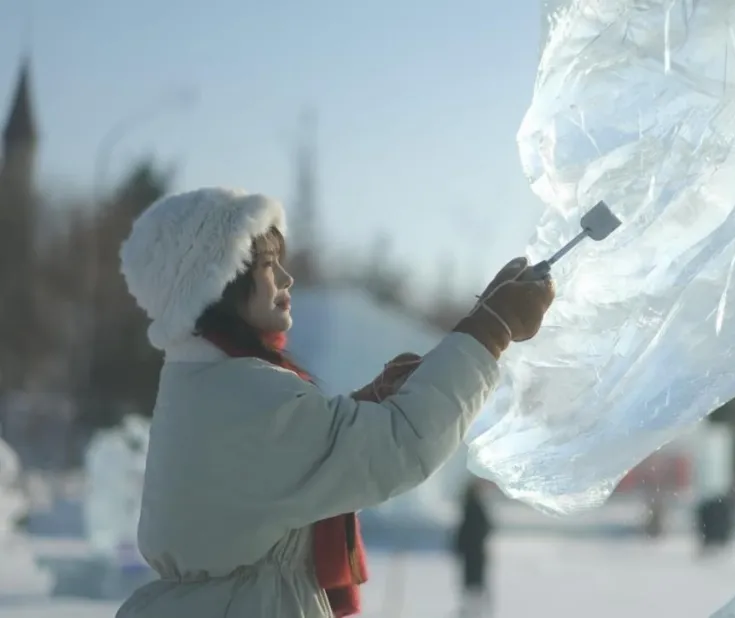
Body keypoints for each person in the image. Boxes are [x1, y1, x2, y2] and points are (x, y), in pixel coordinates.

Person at [113, 187, 555, 618]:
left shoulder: (206, 384)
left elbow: (292, 462)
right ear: (216, 282)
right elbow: (394, 446)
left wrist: (362, 405)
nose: (286, 279)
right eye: (267, 265)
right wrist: (490, 330)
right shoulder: (243, 393)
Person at [452, 477, 493, 617]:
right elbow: (482, 527)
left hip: (473, 552)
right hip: (474, 552)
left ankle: (473, 611)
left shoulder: (470, 506)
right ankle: (473, 611)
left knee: (473, 584)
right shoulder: (473, 507)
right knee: (474, 584)